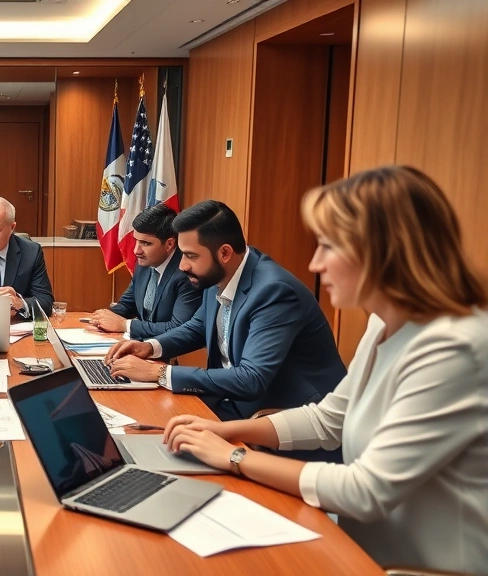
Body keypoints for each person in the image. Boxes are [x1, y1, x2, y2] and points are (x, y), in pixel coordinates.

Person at [162, 166, 488, 574]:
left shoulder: (454, 347)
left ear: (383, 250)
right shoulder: (383, 324)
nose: (315, 264)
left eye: (329, 246)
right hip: (366, 552)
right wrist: (226, 430)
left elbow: (365, 490)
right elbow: (329, 417)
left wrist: (234, 456)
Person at [104, 200, 345, 421]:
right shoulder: (219, 273)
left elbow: (251, 379)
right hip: (232, 401)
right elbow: (196, 328)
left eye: (190, 255)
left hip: (287, 415)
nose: (182, 265)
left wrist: (159, 372)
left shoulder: (274, 292)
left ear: (225, 253)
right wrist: (150, 346)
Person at [89, 203, 201, 343]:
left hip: (168, 352)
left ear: (170, 244)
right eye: (136, 241)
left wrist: (125, 325)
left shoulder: (186, 273)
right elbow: (128, 304)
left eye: (146, 243)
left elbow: (178, 327)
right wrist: (103, 318)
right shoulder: (144, 264)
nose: (136, 251)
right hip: (140, 345)